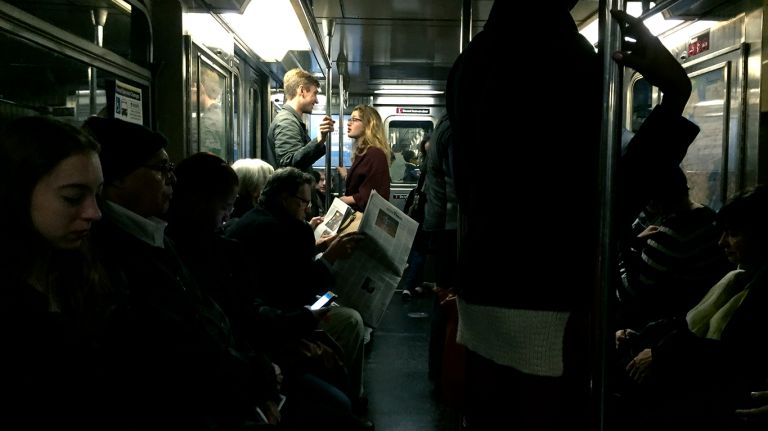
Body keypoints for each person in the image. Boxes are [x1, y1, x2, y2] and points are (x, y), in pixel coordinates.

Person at [446, 2, 699, 429]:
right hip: (549, 301)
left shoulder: (472, 62)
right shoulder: (568, 61)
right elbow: (603, 203)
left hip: (484, 294)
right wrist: (674, 95)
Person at [82, 117, 280, 429]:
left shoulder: (157, 236)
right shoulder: (115, 251)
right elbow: (181, 350)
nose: (171, 179)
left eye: (172, 169)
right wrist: (258, 377)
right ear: (118, 177)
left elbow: (209, 315)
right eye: (161, 169)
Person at [614, 186, 768, 430]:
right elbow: (688, 322)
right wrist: (642, 336)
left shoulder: (758, 291)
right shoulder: (740, 277)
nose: (721, 242)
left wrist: (661, 354)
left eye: (733, 233)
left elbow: (730, 355)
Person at [0, 116, 105, 429]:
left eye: (98, 195)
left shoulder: (77, 268)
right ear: (15, 192)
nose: (95, 213)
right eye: (73, 198)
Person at [616, 165, 732, 328]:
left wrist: (626, 249)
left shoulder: (674, 232)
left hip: (671, 320)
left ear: (655, 198)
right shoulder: (707, 214)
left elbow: (629, 292)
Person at [270, 68, 334, 171]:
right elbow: (289, 166)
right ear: (302, 91)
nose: (316, 100)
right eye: (315, 93)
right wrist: (319, 140)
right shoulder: (287, 121)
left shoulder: (292, 120)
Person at [337, 105, 391, 211]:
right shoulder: (363, 152)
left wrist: (346, 199)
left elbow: (375, 193)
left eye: (355, 120)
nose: (349, 123)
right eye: (350, 119)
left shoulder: (375, 154)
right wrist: (347, 175)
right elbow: (364, 181)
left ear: (368, 124)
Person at [199, 68, 226, 157]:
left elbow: (207, 159)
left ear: (201, 88)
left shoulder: (207, 121)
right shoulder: (222, 115)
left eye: (191, 86)